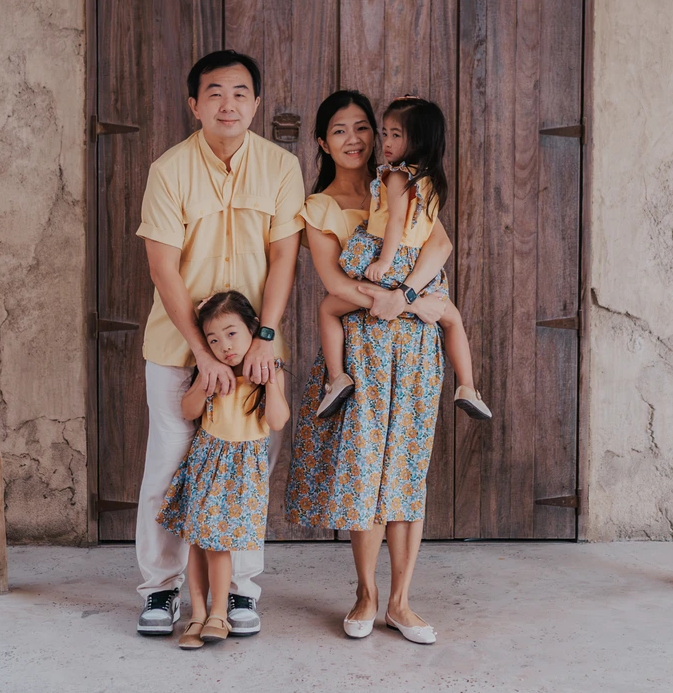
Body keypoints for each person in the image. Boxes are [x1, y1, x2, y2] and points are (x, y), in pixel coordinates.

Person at [134, 50, 304, 638]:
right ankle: (160, 591)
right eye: (214, 93)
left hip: (255, 347)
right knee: (169, 466)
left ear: (255, 104)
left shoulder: (282, 167)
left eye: (239, 93)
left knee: (248, 469)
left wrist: (264, 335)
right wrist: (202, 353)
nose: (227, 104)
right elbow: (163, 267)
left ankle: (240, 591)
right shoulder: (169, 170)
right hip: (179, 347)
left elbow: (284, 255)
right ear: (193, 104)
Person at [285, 91, 449, 644]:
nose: (354, 139)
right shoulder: (319, 205)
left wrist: (407, 295)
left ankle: (402, 601)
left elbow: (441, 245)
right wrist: (401, 299)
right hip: (362, 349)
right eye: (339, 130)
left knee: (406, 471)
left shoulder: (401, 183)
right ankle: (365, 593)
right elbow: (333, 285)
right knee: (364, 472)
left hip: (416, 347)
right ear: (322, 142)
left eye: (363, 128)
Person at [316, 96, 490, 423]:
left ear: (418, 140)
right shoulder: (429, 180)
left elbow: (399, 224)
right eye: (386, 133)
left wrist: (383, 262)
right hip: (420, 276)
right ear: (323, 143)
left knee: (327, 308)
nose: (387, 142)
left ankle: (337, 376)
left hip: (393, 265)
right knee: (451, 318)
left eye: (394, 135)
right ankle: (467, 385)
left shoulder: (396, 176)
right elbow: (428, 238)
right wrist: (412, 300)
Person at [159, 292, 289, 648]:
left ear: (253, 329)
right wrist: (204, 377)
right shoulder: (212, 373)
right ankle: (197, 614)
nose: (224, 346)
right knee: (197, 543)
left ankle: (218, 612)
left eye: (232, 334)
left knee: (218, 545)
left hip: (241, 471)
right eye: (214, 340)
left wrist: (271, 382)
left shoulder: (266, 374)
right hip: (206, 463)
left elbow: (277, 420)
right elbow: (189, 411)